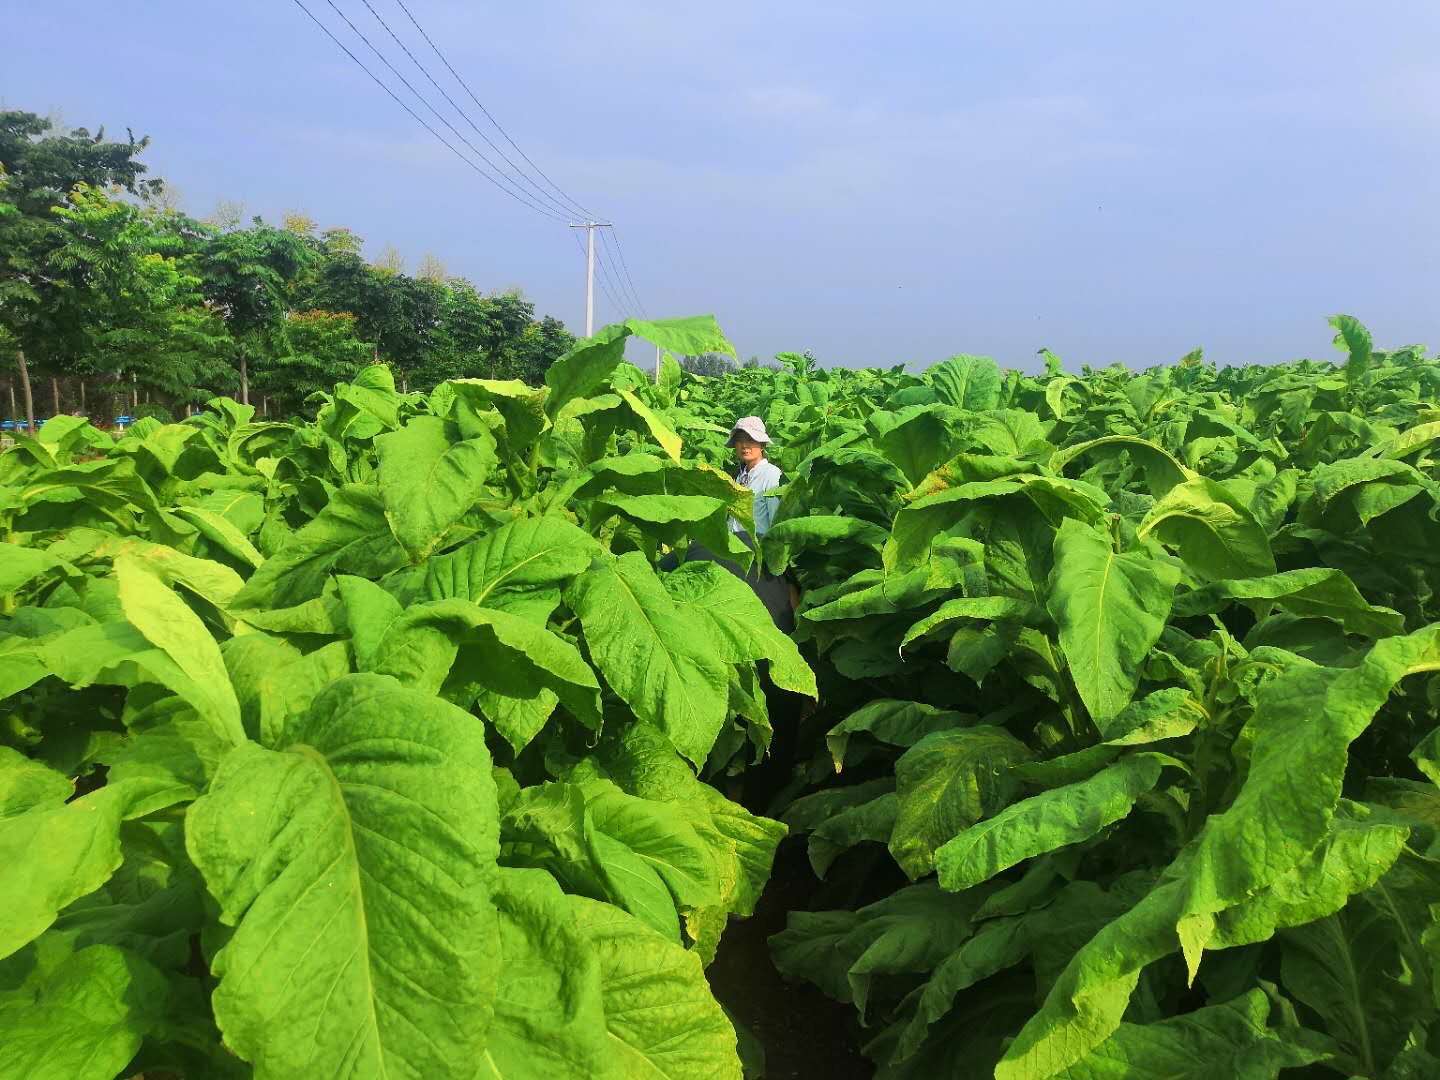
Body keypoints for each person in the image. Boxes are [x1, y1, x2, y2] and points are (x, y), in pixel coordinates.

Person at [726, 415, 782, 542]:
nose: (744, 445)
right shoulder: (739, 475)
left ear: (762, 445)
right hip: (734, 547)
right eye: (739, 440)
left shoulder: (771, 474)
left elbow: (777, 519)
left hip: (757, 546)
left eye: (750, 439)